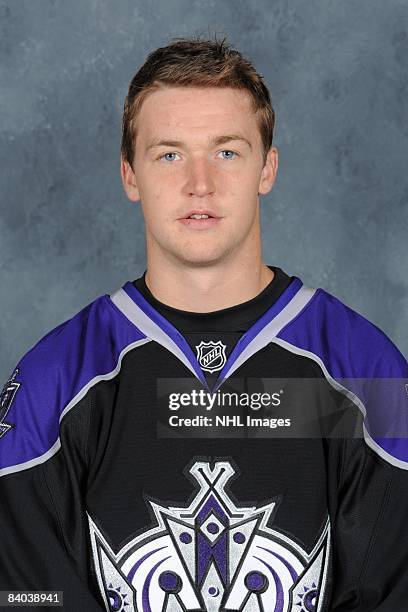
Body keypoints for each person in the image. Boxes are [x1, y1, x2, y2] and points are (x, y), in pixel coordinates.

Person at [0, 35, 407, 612]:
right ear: (129, 175)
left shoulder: (368, 377)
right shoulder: (53, 383)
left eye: (226, 152)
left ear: (267, 167)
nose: (200, 184)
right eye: (169, 154)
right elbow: (26, 597)